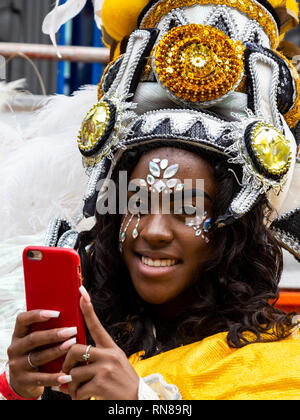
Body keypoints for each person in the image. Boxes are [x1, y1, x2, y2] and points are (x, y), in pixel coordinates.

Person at [1, 0, 300, 400]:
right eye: (137, 203)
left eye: (187, 209)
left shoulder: (277, 366)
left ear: (233, 228)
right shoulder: (84, 331)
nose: (154, 230)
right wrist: (22, 389)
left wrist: (140, 401)